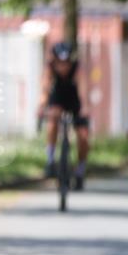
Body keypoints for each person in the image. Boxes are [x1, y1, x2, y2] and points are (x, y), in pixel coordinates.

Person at [37, 42, 90, 189]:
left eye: (66, 63)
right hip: (58, 98)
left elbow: (83, 91)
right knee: (52, 120)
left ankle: (80, 169)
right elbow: (45, 90)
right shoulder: (49, 69)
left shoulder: (78, 69)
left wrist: (84, 107)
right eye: (60, 63)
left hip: (75, 100)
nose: (63, 67)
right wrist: (41, 106)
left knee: (83, 136)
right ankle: (50, 159)